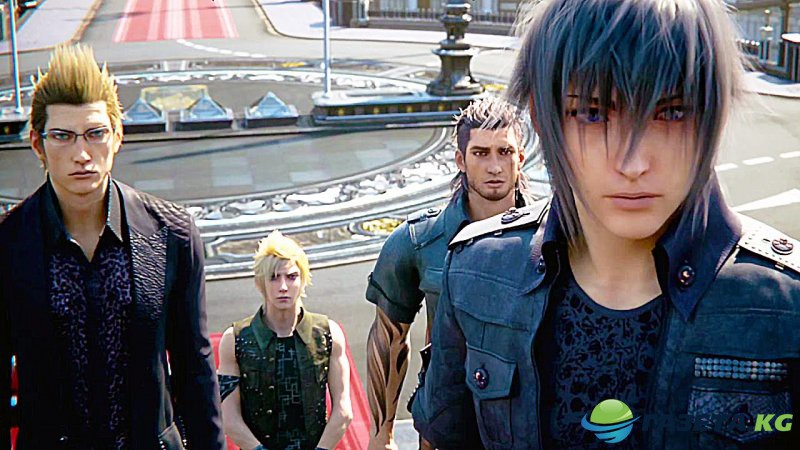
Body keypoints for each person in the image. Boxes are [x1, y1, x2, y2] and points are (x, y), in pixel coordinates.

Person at [412, 0, 800, 449]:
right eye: (593, 114)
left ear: (715, 114)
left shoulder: (788, 305)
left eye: (672, 112)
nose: (633, 163)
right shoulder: (477, 272)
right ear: (543, 118)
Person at [0, 44, 224, 449]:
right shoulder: (9, 244)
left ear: (117, 136)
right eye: (63, 136)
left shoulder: (172, 233)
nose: (82, 154)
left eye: (95, 133)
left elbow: (195, 369)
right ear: (37, 144)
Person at [366, 97, 537, 450]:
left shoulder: (553, 238)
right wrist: (382, 434)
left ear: (520, 158)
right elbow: (388, 338)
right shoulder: (418, 241)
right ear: (460, 160)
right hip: (446, 424)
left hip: (527, 422)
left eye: (505, 152)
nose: (495, 166)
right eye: (481, 153)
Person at [217, 230, 352, 450]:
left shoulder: (328, 334)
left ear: (303, 279)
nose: (283, 287)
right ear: (260, 282)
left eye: (291, 277)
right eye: (273, 277)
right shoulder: (235, 339)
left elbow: (343, 411)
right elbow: (229, 418)